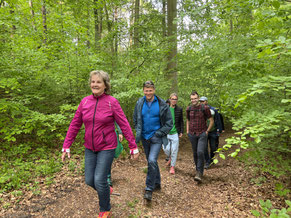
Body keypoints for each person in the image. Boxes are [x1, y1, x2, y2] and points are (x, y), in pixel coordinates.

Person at [61, 70, 139, 218]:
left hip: (107, 146)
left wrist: (133, 146)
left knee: (99, 179)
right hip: (90, 147)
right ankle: (105, 189)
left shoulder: (112, 102)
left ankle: (105, 209)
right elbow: (75, 124)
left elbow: (124, 124)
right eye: (93, 82)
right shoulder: (84, 102)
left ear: (105, 85)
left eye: (98, 82)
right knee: (90, 180)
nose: (94, 84)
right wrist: (66, 145)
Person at [133, 80, 173, 201]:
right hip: (145, 137)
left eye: (150, 90)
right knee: (151, 162)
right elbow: (135, 118)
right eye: (146, 90)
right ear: (143, 91)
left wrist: (159, 133)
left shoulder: (162, 104)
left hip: (156, 137)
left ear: (154, 90)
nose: (148, 92)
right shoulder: (139, 102)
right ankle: (157, 182)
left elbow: (169, 123)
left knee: (151, 160)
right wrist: (138, 130)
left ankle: (149, 188)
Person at [186, 91, 214, 183]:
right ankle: (198, 169)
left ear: (198, 98)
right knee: (195, 153)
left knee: (200, 152)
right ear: (190, 99)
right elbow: (188, 120)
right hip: (192, 134)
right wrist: (187, 131)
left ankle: (199, 173)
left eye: (195, 98)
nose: (193, 100)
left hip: (202, 133)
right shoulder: (189, 108)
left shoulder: (205, 108)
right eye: (192, 99)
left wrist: (207, 131)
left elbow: (211, 120)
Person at [162, 93, 184, 174]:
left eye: (175, 99)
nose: (174, 100)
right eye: (172, 99)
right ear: (170, 99)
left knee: (174, 150)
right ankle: (170, 157)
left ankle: (172, 166)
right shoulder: (165, 109)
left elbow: (181, 121)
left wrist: (181, 131)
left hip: (175, 133)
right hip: (166, 132)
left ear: (177, 100)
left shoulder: (179, 109)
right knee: (166, 149)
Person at [199, 96, 223, 169]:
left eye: (203, 101)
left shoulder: (214, 110)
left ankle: (211, 159)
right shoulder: (199, 110)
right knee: (204, 147)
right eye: (200, 101)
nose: (201, 103)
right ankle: (207, 161)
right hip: (204, 131)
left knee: (213, 147)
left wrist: (219, 129)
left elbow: (218, 119)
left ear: (206, 101)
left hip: (213, 131)